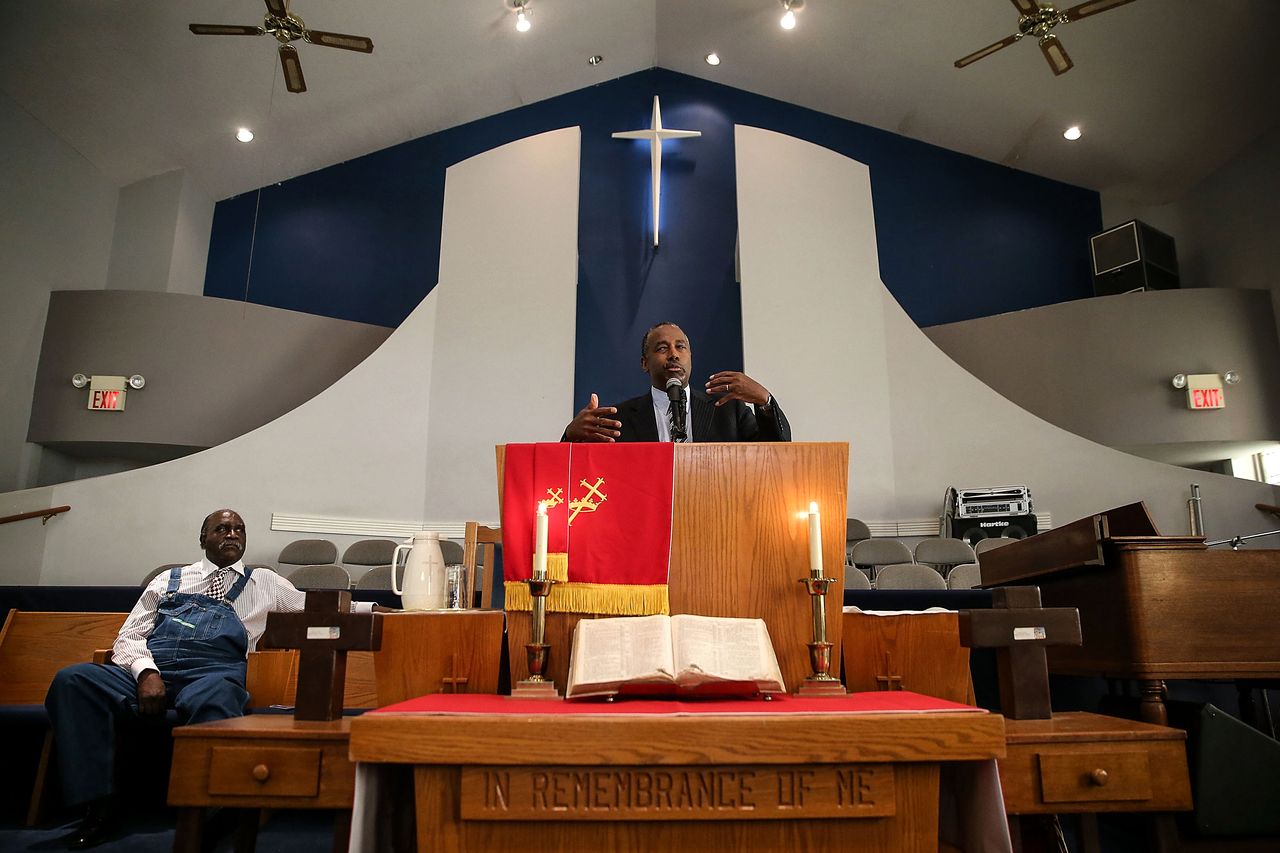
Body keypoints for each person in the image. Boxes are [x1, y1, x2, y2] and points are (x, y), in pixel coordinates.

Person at [44, 509, 390, 849]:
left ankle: (212, 813)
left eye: (239, 529)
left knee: (219, 697)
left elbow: (317, 608)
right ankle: (99, 806)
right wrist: (146, 672)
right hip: (154, 669)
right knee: (73, 681)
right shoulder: (169, 579)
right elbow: (130, 636)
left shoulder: (264, 582)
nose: (233, 534)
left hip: (212, 672)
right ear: (203, 538)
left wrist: (376, 609)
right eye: (223, 528)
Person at [563, 321, 791, 443]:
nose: (673, 354)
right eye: (662, 348)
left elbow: (775, 456)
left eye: (680, 347)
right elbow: (581, 472)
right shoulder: (618, 421)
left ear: (690, 358)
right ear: (644, 363)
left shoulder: (728, 412)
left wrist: (765, 401)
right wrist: (570, 436)